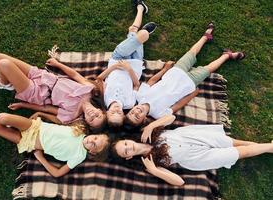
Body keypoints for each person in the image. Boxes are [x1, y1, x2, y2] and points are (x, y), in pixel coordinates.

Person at [125, 22, 246, 137]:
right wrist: (192, 95)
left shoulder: (140, 97)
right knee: (208, 69)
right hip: (189, 83)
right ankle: (227, 55)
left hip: (175, 72)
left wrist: (165, 69)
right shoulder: (158, 114)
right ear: (143, 120)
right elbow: (177, 106)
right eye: (137, 117)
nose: (136, 112)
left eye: (132, 112)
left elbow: (151, 81)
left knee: (191, 53)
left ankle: (206, 36)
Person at [0, 53, 106, 130]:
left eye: (91, 119)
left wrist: (22, 105)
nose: (92, 114)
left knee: (3, 64)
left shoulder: (71, 115)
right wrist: (58, 64)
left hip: (37, 93)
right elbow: (75, 75)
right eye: (97, 115)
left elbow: (46, 108)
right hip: (44, 77)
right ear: (101, 111)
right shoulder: (91, 90)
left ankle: (5, 82)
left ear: (86, 121)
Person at [112, 124, 273, 186]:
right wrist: (155, 171)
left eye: (125, 144)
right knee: (238, 153)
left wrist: (152, 125)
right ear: (128, 157)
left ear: (127, 139)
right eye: (126, 151)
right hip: (195, 157)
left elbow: (171, 117)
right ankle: (270, 146)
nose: (129, 147)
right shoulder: (148, 164)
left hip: (191, 136)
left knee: (233, 142)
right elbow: (179, 182)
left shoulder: (144, 133)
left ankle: (268, 148)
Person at [0, 113, 110, 177]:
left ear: (93, 152)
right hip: (34, 126)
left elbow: (57, 173)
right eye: (95, 138)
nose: (91, 141)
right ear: (94, 134)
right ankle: (7, 124)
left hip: (28, 142)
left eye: (94, 145)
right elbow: (59, 122)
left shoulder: (79, 156)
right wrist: (41, 113)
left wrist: (40, 158)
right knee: (2, 117)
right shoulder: (80, 129)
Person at [97, 0, 156, 129]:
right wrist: (129, 69)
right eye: (119, 113)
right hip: (135, 64)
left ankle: (140, 23)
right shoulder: (129, 104)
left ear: (107, 113)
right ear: (123, 116)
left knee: (139, 34)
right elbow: (136, 84)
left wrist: (113, 67)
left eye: (113, 112)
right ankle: (140, 10)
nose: (117, 109)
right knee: (135, 32)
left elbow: (99, 79)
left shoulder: (104, 99)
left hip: (117, 59)